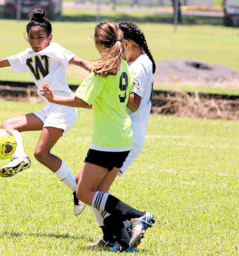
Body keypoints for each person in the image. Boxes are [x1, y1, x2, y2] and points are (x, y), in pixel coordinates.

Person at [41, 21, 154, 252]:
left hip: (107, 140)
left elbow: (83, 101)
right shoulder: (123, 65)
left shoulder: (104, 68)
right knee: (99, 194)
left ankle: (138, 216)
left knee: (83, 191)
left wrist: (53, 99)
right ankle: (121, 242)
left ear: (97, 42)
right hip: (123, 138)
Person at [0, 9, 90, 216]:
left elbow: (79, 61)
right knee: (8, 126)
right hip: (49, 109)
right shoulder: (26, 56)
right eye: (32, 37)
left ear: (49, 38)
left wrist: (94, 69)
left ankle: (79, 192)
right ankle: (19, 158)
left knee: (41, 154)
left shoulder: (56, 49)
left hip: (64, 107)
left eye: (40, 37)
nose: (35, 42)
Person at [85, 21, 157, 249]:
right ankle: (117, 239)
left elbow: (133, 103)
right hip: (124, 134)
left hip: (125, 134)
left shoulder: (137, 66)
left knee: (89, 190)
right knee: (93, 190)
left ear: (125, 43)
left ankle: (130, 223)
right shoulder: (140, 63)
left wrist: (109, 91)